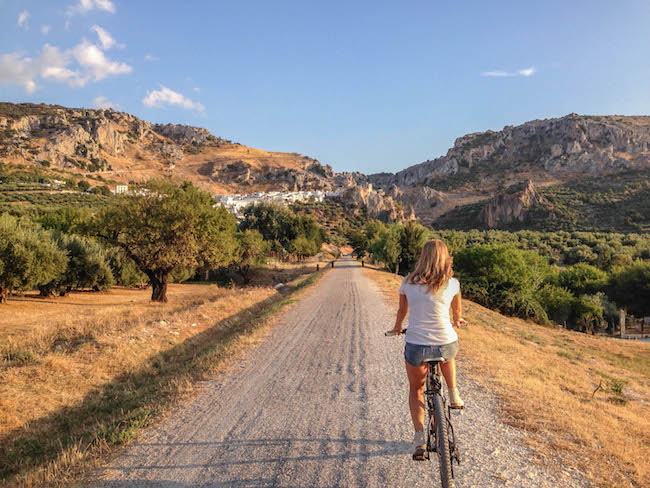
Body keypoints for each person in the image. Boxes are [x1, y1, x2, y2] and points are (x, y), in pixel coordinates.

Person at [386, 239, 467, 461]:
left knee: (416, 390)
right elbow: (457, 313)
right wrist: (458, 321)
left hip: (417, 346)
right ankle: (453, 393)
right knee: (448, 346)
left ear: (422, 257)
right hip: (445, 344)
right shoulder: (453, 284)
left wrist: (396, 329)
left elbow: (402, 312)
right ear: (445, 258)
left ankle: (420, 439)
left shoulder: (407, 283)